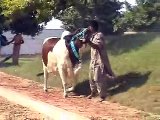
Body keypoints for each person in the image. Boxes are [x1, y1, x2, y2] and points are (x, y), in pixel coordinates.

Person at [87, 20, 115, 102]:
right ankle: (93, 92)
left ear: (92, 27)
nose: (88, 28)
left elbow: (97, 46)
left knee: (98, 78)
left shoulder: (99, 35)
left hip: (99, 60)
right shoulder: (92, 36)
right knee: (91, 78)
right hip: (93, 60)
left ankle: (102, 95)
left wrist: (89, 42)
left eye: (89, 26)